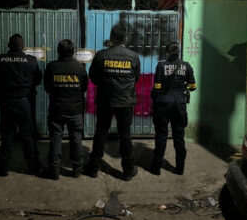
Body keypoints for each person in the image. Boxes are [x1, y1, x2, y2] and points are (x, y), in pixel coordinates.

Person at [84, 24, 141, 181]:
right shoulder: (133, 56)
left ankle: (93, 167)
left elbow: (93, 77)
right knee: (125, 134)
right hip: (126, 102)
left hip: (106, 101)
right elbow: (136, 78)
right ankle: (128, 170)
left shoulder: (101, 55)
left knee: (101, 132)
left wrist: (106, 84)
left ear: (111, 37)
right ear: (125, 38)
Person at [0, 34, 42, 177]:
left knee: (7, 135)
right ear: (23, 46)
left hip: (6, 102)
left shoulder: (0, 59)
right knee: (27, 135)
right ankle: (33, 167)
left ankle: (3, 168)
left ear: (9, 45)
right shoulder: (31, 61)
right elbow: (37, 80)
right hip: (24, 102)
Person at [43, 39, 88, 180]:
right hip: (75, 110)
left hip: (57, 110)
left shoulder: (52, 67)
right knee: (76, 139)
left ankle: (54, 171)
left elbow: (47, 88)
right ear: (73, 52)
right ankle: (76, 171)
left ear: (58, 51)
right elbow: (84, 88)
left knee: (56, 139)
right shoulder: (80, 68)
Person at [150, 42, 196, 176]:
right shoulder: (186, 66)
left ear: (167, 52)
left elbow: (157, 87)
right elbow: (193, 87)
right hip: (179, 104)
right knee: (179, 136)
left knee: (161, 135)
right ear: (179, 52)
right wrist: (184, 88)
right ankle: (180, 168)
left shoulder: (161, 65)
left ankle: (156, 168)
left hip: (164, 104)